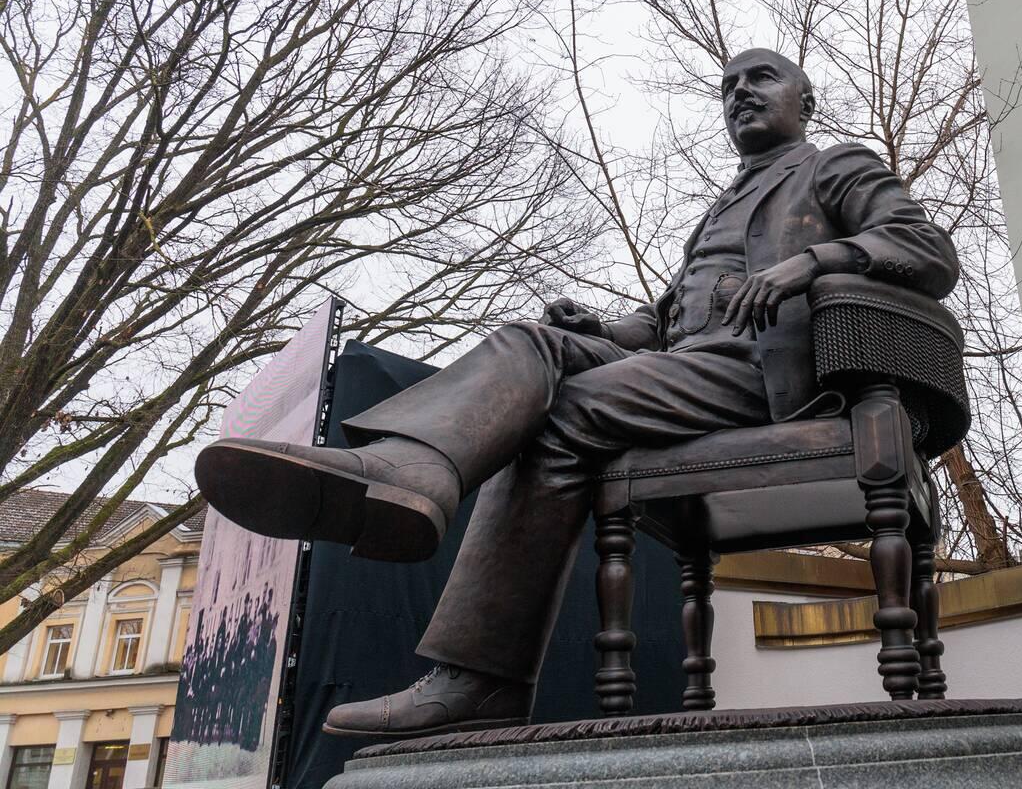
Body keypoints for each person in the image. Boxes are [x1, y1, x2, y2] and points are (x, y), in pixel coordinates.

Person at [195, 48, 958, 739]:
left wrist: (810, 264)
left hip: (765, 374)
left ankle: (480, 678)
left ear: (806, 100)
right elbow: (665, 323)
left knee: (561, 413)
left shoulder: (833, 167)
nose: (740, 93)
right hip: (688, 367)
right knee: (529, 342)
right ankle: (408, 470)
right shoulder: (723, 207)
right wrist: (601, 327)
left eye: (761, 79)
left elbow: (927, 249)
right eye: (728, 86)